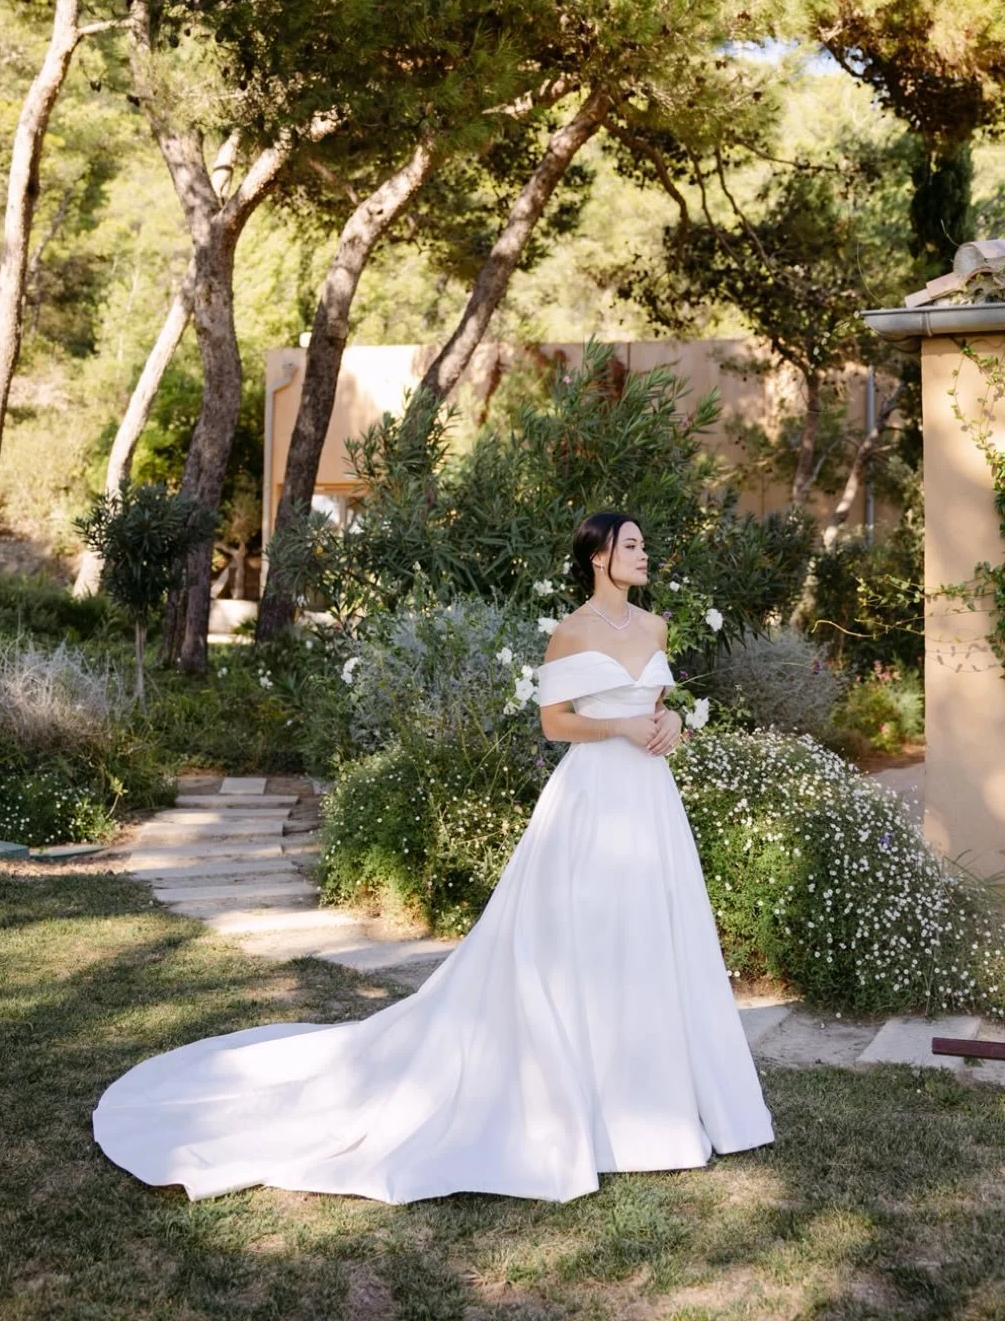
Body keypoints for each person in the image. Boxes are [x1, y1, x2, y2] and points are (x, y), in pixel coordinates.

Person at [92, 510, 774, 1205]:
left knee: (651, 938)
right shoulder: (572, 632)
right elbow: (554, 722)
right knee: (584, 939)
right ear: (599, 558)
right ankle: (583, 1100)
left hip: (650, 804)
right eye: (632, 545)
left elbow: (657, 708)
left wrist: (671, 723)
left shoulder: (655, 629)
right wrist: (622, 725)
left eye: (643, 544)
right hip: (592, 796)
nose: (644, 553)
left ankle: (655, 1105)